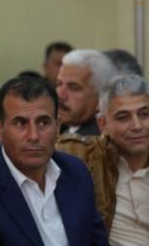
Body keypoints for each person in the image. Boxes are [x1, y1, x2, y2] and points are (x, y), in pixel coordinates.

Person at [0, 76, 107, 245]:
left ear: (58, 127)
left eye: (43, 122)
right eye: (20, 123)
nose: (34, 136)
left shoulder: (76, 171)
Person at [58, 74, 149, 245]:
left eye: (145, 114)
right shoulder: (83, 156)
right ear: (103, 124)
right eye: (123, 117)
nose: (137, 126)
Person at [57, 49, 116, 135]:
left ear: (101, 97)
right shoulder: (64, 130)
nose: (60, 95)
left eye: (74, 88)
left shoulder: (97, 140)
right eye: (59, 84)